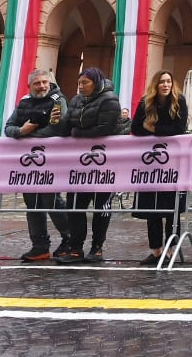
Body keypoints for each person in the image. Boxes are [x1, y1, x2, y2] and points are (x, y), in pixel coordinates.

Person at [2, 68, 72, 263]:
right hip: (29, 164)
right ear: (29, 86)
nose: (42, 86)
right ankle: (39, 246)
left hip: (51, 161)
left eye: (44, 82)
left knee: (52, 202)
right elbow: (8, 127)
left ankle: (70, 238)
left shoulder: (58, 101)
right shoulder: (24, 102)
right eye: (37, 83)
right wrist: (20, 131)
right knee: (32, 205)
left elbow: (57, 128)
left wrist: (29, 135)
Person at [57, 67, 122, 264]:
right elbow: (66, 126)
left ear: (96, 82)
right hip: (78, 165)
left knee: (101, 207)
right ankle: (76, 248)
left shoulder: (110, 100)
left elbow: (105, 128)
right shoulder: (76, 101)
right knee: (75, 206)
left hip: (103, 164)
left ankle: (97, 246)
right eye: (79, 83)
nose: (81, 87)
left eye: (85, 83)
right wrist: (58, 123)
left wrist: (78, 133)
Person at [130, 70, 188, 266]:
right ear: (156, 84)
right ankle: (156, 251)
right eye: (162, 82)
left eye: (169, 81)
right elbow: (136, 127)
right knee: (151, 208)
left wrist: (154, 129)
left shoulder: (179, 101)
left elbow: (179, 130)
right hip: (149, 163)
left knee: (172, 209)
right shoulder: (145, 102)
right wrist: (160, 131)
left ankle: (171, 250)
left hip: (173, 163)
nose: (165, 85)